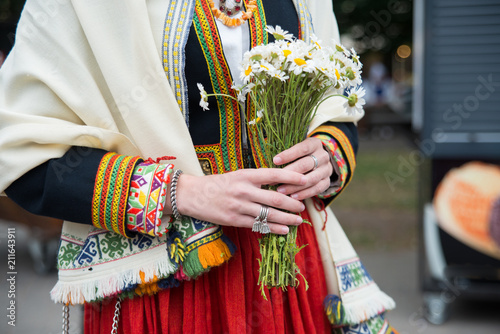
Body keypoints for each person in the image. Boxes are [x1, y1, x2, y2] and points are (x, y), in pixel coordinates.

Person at [0, 0, 396, 333]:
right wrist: (183, 192)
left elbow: (337, 105)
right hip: (164, 279)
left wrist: (325, 154)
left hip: (290, 264)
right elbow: (21, 153)